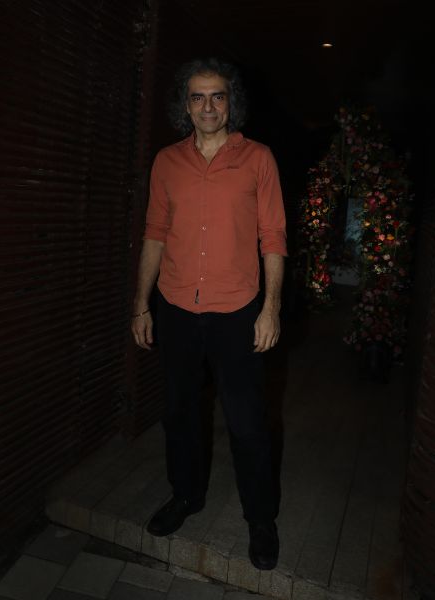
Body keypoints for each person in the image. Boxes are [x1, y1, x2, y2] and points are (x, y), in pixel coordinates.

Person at [130, 57, 287, 571]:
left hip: (237, 312)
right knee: (179, 414)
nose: (208, 106)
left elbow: (273, 237)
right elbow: (155, 233)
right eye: (197, 97)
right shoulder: (167, 162)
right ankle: (186, 495)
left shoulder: (258, 159)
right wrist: (141, 304)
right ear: (186, 104)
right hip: (176, 306)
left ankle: (260, 520)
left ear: (230, 101)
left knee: (247, 423)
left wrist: (270, 308)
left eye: (217, 96)